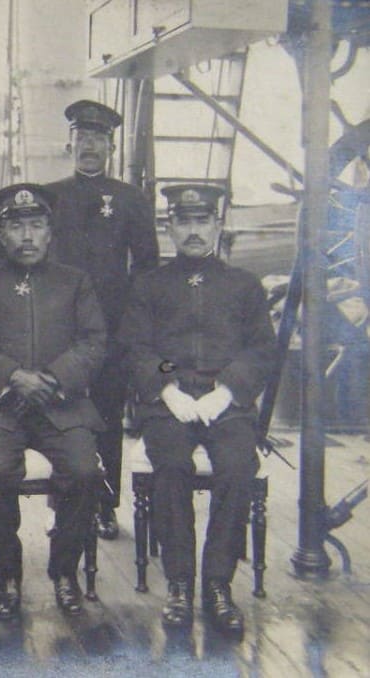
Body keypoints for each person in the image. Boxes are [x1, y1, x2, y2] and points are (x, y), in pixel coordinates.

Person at [118, 184, 275, 637]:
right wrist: (169, 386)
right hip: (172, 405)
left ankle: (219, 586)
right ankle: (181, 585)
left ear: (217, 225)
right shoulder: (149, 285)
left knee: (236, 466)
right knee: (170, 465)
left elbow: (260, 349)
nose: (192, 231)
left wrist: (225, 391)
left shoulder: (243, 286)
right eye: (183, 221)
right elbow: (138, 347)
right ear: (170, 227)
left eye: (201, 221)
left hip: (226, 404)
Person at [0, 183, 106, 621]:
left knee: (83, 471)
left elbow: (94, 341)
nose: (26, 236)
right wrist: (13, 377)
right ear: (0, 235)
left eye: (35, 225)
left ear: (49, 232)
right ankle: (8, 573)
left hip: (63, 405)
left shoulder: (75, 282)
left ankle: (64, 571)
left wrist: (56, 378)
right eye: (16, 226)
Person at [45, 99, 159, 540]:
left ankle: (105, 504)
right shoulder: (49, 195)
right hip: (60, 327)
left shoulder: (130, 199)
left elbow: (146, 265)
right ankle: (62, 505)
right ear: (68, 143)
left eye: (98, 138)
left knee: (108, 414)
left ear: (110, 147)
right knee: (60, 413)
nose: (89, 146)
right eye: (82, 137)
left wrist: (129, 319)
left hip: (112, 328)